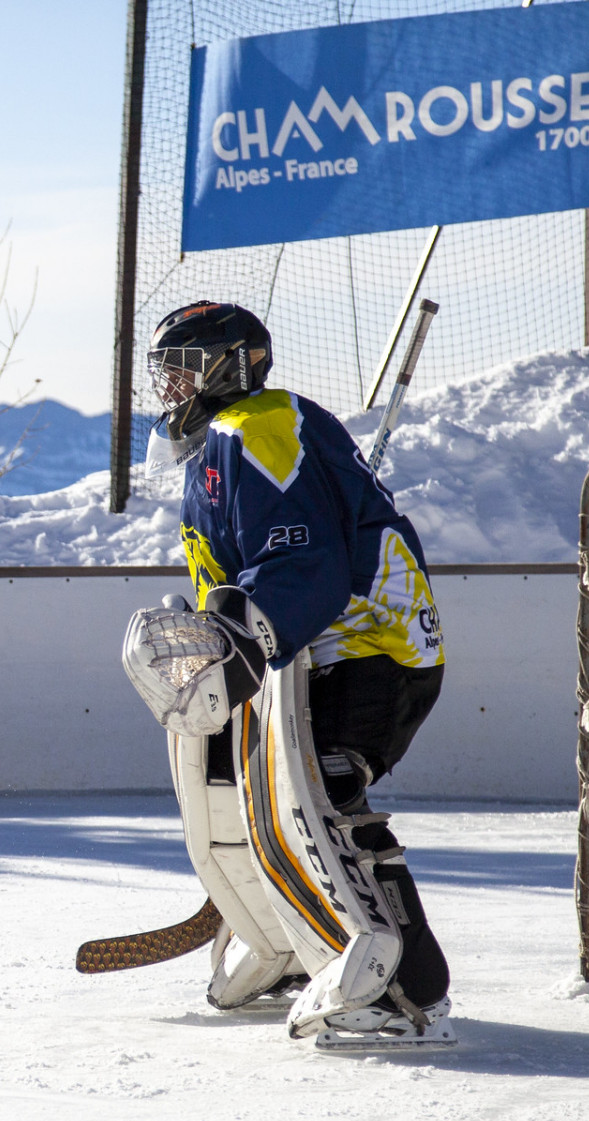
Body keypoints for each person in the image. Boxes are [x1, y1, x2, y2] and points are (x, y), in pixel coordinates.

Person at [124, 299, 452, 1047]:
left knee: (324, 794)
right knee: (256, 802)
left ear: (231, 366)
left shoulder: (260, 426)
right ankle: (297, 952)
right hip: (316, 655)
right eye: (164, 374)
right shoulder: (224, 443)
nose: (171, 389)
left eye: (183, 371)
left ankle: (397, 985)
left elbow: (301, 558)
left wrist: (244, 634)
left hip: (367, 650)